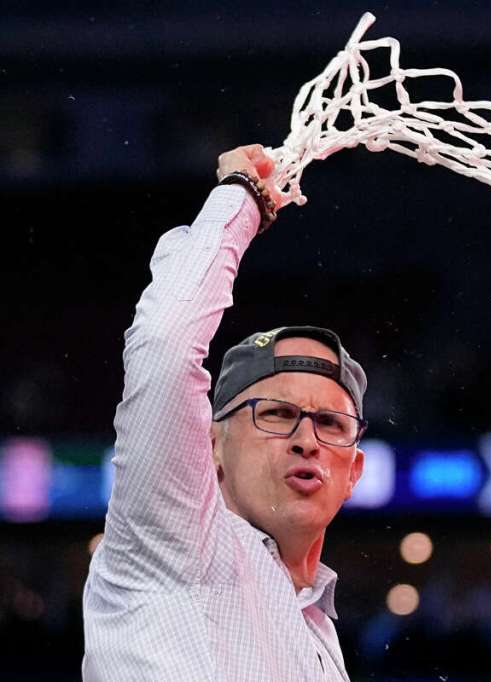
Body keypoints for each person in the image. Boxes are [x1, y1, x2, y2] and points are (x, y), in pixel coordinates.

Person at [82, 145, 367, 681]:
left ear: (354, 471)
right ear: (210, 445)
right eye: (276, 413)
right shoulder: (174, 538)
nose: (307, 439)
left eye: (331, 423)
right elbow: (164, 346)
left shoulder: (320, 632)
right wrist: (242, 197)